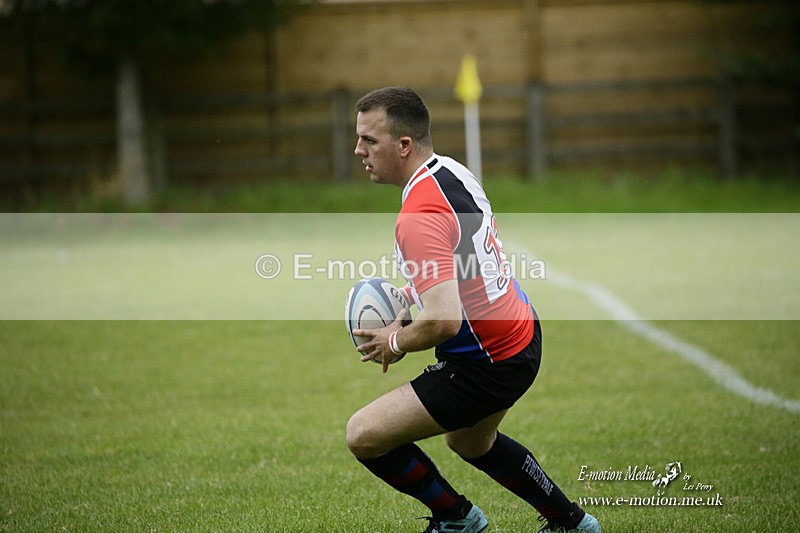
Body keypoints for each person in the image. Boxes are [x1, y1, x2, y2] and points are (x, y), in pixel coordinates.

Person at [346, 86, 600, 533]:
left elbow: (446, 320)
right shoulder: (451, 172)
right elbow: (464, 265)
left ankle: (457, 519)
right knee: (470, 440)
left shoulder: (418, 215)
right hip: (519, 334)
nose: (358, 150)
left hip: (485, 363)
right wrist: (409, 297)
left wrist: (394, 340)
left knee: (364, 435)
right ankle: (572, 523)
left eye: (370, 140)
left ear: (403, 145)